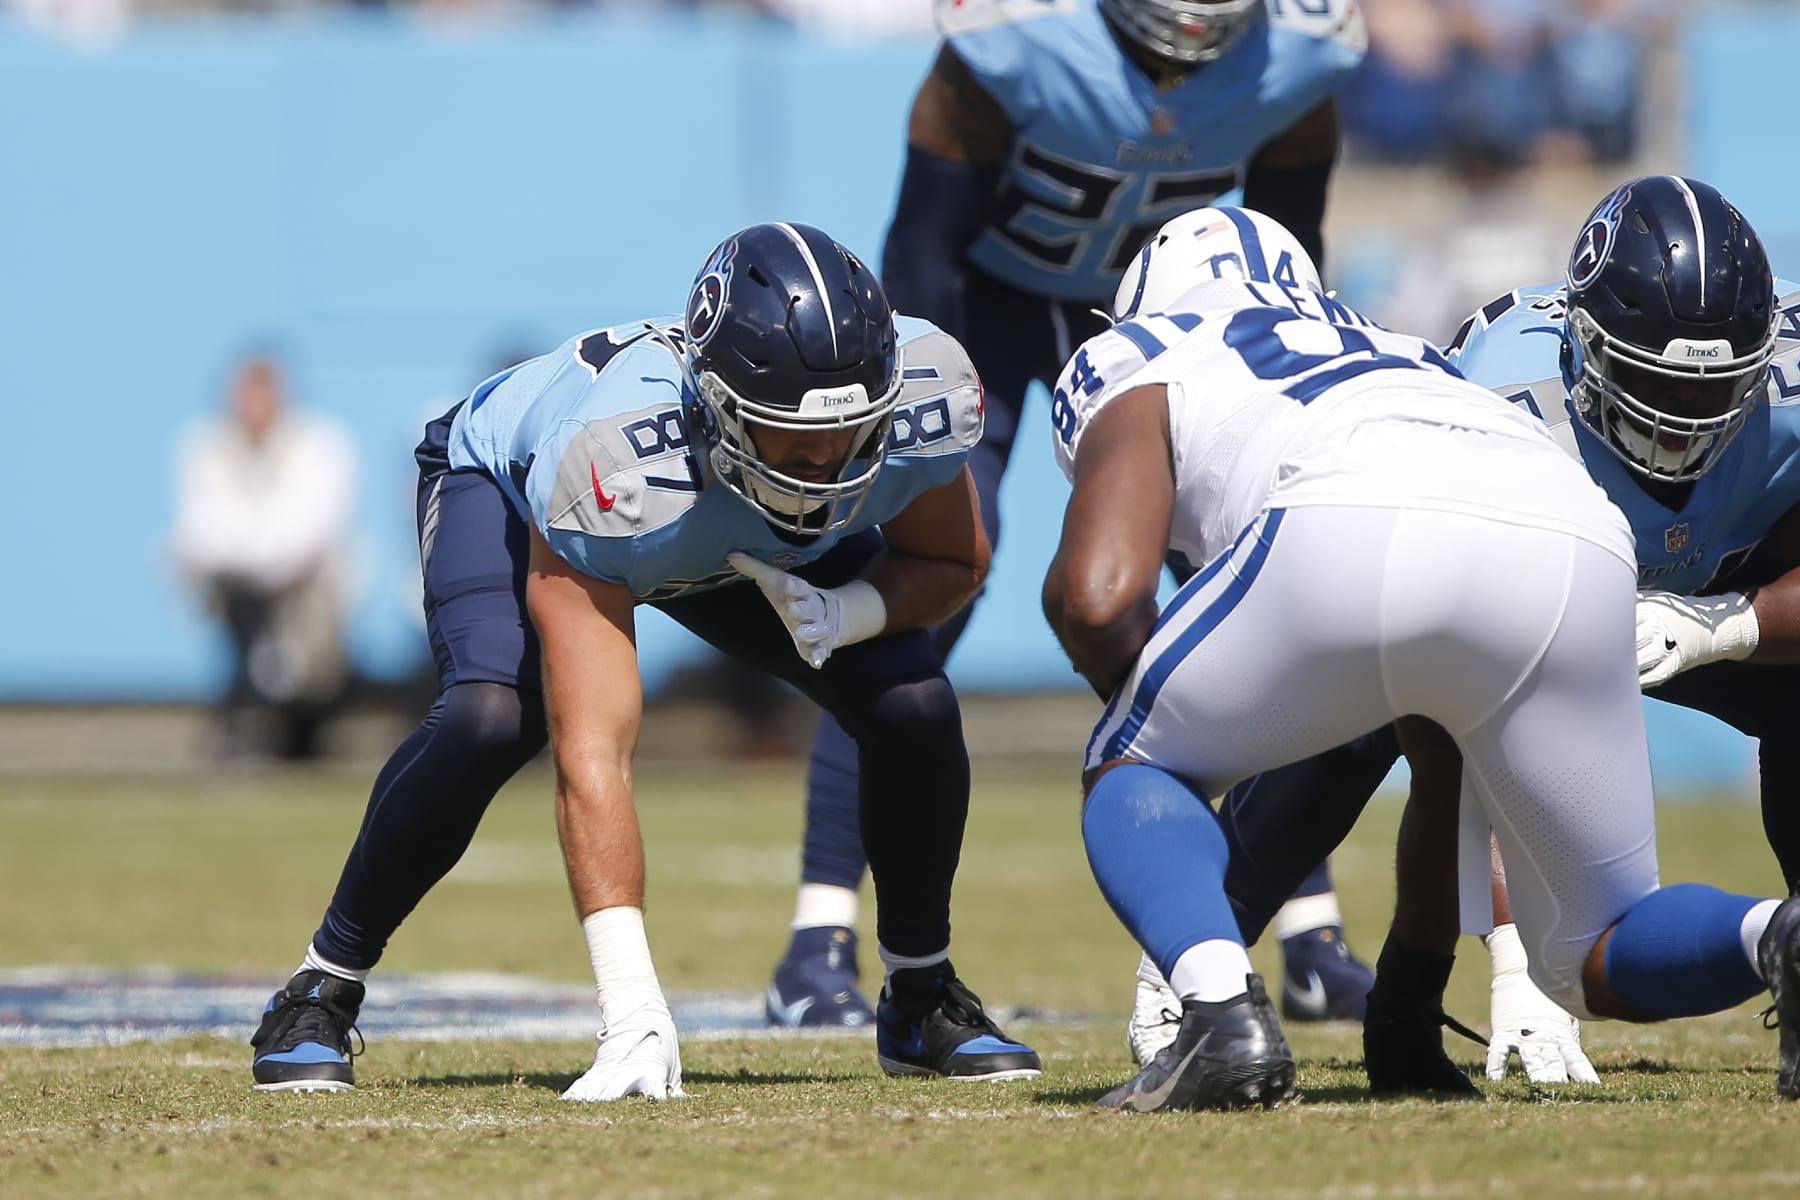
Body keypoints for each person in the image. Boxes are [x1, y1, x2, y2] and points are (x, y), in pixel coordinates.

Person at [247, 221, 1041, 1097]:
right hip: (523, 491)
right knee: (492, 717)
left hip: (711, 530)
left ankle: (922, 996)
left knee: (914, 699)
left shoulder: (926, 393)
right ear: (720, 404)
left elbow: (953, 561)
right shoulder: (614, 458)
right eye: (790, 434)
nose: (823, 464)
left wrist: (847, 611)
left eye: (852, 431)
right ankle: (319, 988)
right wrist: (632, 1008)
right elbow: (594, 749)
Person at [1037, 204, 1800, 1111]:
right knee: (1596, 947)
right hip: (1575, 539)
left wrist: (1164, 750)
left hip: (1350, 512)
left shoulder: (1141, 348)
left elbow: (1094, 597)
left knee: (1132, 758)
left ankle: (1214, 1005)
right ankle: (1774, 934)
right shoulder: (1396, 344)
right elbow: (1439, 741)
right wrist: (1408, 992)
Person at [769, 0, 1380, 1033]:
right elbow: (922, 247)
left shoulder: (1300, 58)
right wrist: (921, 400)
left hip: (1169, 332)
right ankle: (817, 939)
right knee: (925, 583)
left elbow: (1288, 266)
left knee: (1255, 586)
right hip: (990, 308)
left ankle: (1310, 935)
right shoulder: (1015, 39)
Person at [171, 353, 356, 762]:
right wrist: (250, 550)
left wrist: (247, 548)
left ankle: (293, 719)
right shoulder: (206, 446)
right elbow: (199, 530)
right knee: (238, 609)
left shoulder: (320, 444)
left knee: (309, 674)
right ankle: (251, 709)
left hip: (308, 589)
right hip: (236, 590)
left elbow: (306, 535)